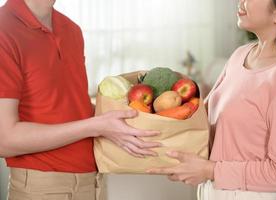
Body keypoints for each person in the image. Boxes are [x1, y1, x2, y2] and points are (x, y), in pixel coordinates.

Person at [0, 0, 161, 199]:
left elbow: (71, 107)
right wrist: (96, 126)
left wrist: (127, 118)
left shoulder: (71, 30)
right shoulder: (4, 29)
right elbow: (4, 139)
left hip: (93, 183)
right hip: (42, 188)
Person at [148, 0, 276, 199]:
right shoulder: (240, 55)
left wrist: (211, 171)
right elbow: (204, 117)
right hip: (213, 190)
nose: (242, 1)